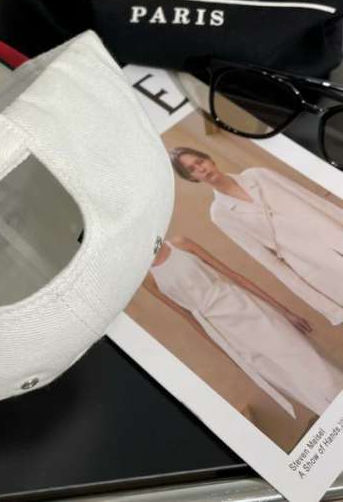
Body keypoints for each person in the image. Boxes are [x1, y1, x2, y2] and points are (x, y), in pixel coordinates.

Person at [146, 237, 343, 417]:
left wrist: (285, 311)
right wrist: (228, 354)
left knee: (303, 354)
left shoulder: (180, 243)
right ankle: (333, 420)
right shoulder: (148, 279)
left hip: (243, 306)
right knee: (282, 375)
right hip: (223, 330)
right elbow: (188, 317)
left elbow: (233, 275)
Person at [169, 147, 343, 325]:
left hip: (335, 235)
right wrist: (330, 309)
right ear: (191, 178)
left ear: (209, 159)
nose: (201, 169)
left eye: (200, 162)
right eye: (192, 169)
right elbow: (267, 260)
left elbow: (312, 200)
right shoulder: (220, 213)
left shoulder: (258, 175)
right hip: (315, 265)